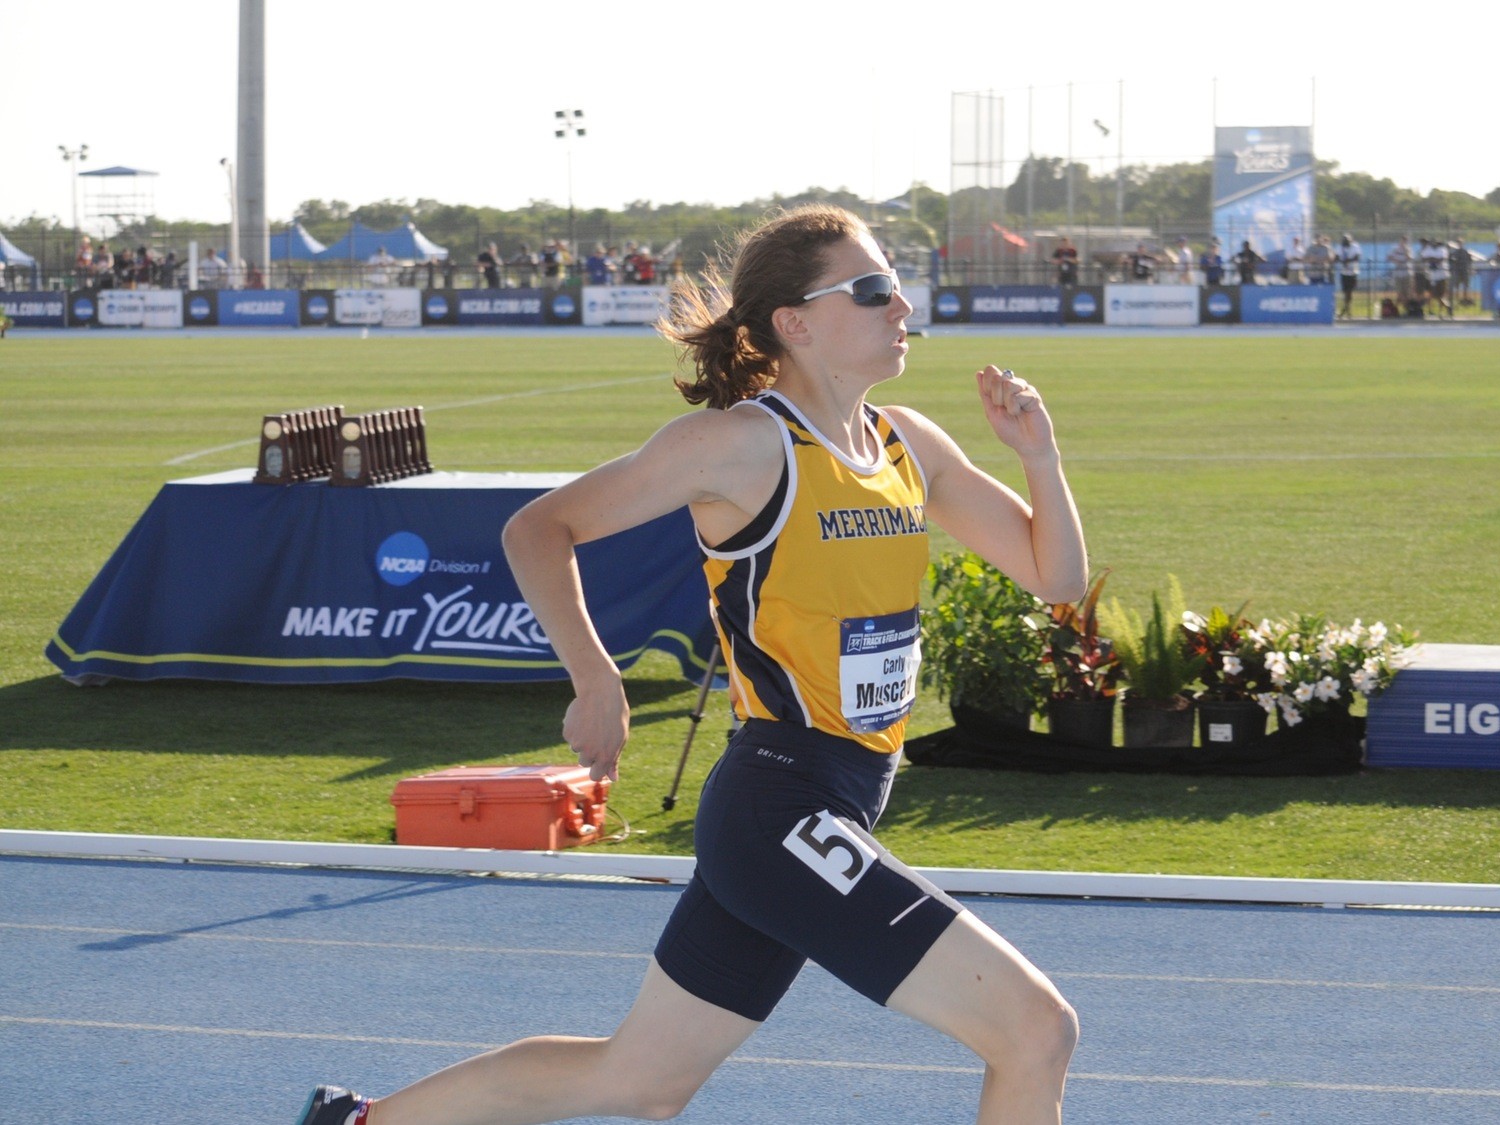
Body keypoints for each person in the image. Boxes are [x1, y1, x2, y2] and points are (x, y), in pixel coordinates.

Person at [293, 203, 1084, 1125]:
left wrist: (1039, 453)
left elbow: (1051, 574)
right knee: (1036, 1031)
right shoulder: (739, 445)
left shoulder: (909, 443)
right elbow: (538, 528)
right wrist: (596, 677)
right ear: (795, 322)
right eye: (872, 289)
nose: (901, 303)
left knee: (638, 1082)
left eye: (898, 282)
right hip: (781, 802)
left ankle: (357, 1123)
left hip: (839, 795)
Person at [1334, 233, 1360, 318]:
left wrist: (1348, 260)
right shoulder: (1340, 247)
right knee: (1345, 292)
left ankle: (1345, 310)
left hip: (1353, 272)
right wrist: (1342, 261)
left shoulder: (1355, 246)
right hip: (1344, 272)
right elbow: (1336, 258)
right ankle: (1347, 310)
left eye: (1347, 241)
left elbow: (1357, 257)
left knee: (1350, 292)